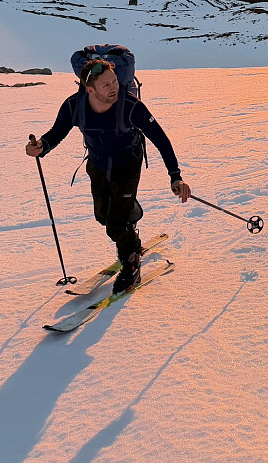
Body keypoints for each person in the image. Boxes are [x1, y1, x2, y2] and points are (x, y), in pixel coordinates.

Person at [26, 58, 191, 292]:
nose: (114, 87)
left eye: (114, 81)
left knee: (114, 225)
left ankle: (131, 264)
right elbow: (57, 132)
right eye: (106, 85)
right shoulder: (75, 105)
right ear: (89, 89)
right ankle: (128, 223)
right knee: (103, 216)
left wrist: (175, 176)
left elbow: (160, 139)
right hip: (97, 164)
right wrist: (41, 146)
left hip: (127, 165)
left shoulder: (131, 106)